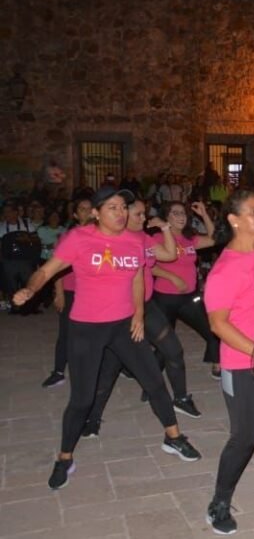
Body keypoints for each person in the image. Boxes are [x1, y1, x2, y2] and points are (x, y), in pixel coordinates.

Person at [13, 186, 200, 490]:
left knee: (154, 381)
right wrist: (30, 290)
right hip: (87, 328)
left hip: (124, 325)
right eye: (112, 207)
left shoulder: (135, 241)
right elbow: (47, 271)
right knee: (82, 399)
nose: (121, 212)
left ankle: (174, 437)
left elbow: (138, 278)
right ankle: (64, 456)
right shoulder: (80, 238)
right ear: (96, 213)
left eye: (123, 207)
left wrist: (138, 315)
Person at [81, 196, 197, 437]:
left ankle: (181, 397)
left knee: (173, 351)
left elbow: (168, 255)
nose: (144, 218)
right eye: (138, 214)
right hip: (121, 312)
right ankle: (92, 418)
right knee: (110, 367)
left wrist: (164, 227)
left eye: (144, 214)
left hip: (147, 305)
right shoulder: (114, 241)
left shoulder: (144, 238)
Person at [203, 189, 254, 534]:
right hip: (242, 362)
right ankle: (219, 502)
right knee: (245, 435)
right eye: (253, 212)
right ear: (234, 220)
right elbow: (218, 325)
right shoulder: (224, 270)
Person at [152, 200, 220, 376]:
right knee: (164, 343)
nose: (181, 216)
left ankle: (217, 364)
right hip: (165, 298)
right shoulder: (157, 238)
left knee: (213, 329)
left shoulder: (189, 239)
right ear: (166, 217)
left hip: (189, 297)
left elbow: (213, 239)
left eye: (183, 213)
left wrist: (204, 214)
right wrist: (172, 277)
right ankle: (151, 381)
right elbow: (149, 266)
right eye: (175, 213)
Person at [41, 195, 93, 388]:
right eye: (82, 209)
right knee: (67, 333)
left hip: (95, 293)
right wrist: (60, 293)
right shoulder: (68, 237)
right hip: (72, 291)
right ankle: (59, 371)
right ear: (75, 215)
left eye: (90, 208)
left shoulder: (104, 237)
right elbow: (56, 269)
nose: (87, 212)